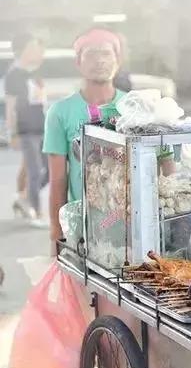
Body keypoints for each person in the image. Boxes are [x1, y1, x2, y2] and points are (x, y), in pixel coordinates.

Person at [43, 28, 128, 256]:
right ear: (78, 62)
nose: (99, 60)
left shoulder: (133, 109)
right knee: (85, 290)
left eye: (106, 53)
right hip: (83, 229)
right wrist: (56, 232)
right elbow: (58, 179)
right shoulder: (60, 112)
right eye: (91, 54)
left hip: (130, 226)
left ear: (117, 61)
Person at [4, 33, 48, 226]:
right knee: (35, 172)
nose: (37, 52)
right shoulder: (14, 75)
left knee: (49, 169)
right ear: (22, 50)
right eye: (33, 47)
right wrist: (12, 132)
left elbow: (40, 101)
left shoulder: (34, 72)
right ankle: (36, 213)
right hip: (26, 129)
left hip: (42, 126)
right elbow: (10, 106)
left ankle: (24, 198)